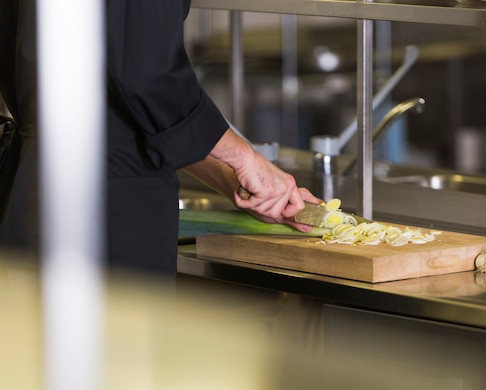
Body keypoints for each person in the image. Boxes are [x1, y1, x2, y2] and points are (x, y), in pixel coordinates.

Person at [0, 0, 321, 277]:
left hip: (36, 193)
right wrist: (245, 158)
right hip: (108, 209)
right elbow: (147, 74)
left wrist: (240, 182)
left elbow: (139, 115)